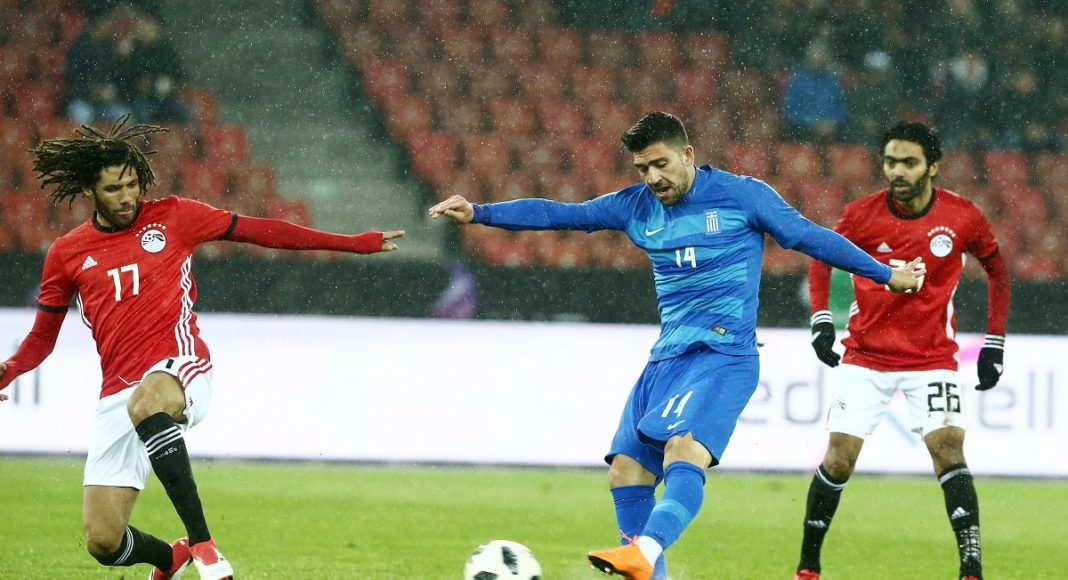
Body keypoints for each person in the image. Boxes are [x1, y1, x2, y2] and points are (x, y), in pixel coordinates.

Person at [429, 112, 922, 580]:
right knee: (626, 471)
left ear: (687, 154)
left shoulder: (741, 195)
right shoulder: (636, 206)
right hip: (665, 360)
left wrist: (886, 274)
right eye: (642, 168)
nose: (653, 178)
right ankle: (647, 565)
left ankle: (644, 552)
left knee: (683, 451)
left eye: (660, 164)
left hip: (723, 357)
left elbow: (809, 237)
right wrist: (480, 213)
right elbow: (563, 214)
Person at [0, 117, 403, 580]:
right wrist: (9, 369)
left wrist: (352, 244)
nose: (127, 197)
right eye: (113, 189)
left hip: (180, 366)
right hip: (118, 393)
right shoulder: (66, 252)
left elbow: (260, 230)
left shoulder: (175, 215)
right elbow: (41, 339)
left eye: (132, 185)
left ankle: (203, 545)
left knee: (148, 402)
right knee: (104, 542)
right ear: (91, 191)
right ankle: (169, 559)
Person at [793, 121, 1011, 580]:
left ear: (933, 167)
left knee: (948, 450)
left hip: (932, 358)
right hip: (866, 355)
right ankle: (808, 566)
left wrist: (994, 341)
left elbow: (998, 270)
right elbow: (820, 256)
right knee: (839, 459)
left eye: (909, 163)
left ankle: (971, 568)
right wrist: (821, 318)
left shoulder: (962, 216)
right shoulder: (861, 215)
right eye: (891, 161)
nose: (897, 171)